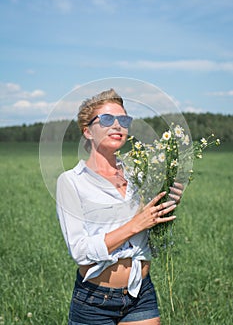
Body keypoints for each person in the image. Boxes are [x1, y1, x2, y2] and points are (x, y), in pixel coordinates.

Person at [56, 88, 183, 325]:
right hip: (95, 301)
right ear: (87, 131)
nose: (117, 125)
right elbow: (80, 252)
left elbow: (152, 234)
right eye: (106, 119)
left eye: (123, 120)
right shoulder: (71, 181)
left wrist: (169, 203)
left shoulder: (139, 174)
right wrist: (136, 224)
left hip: (140, 294)